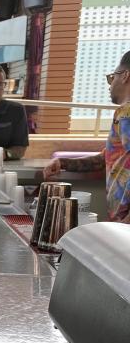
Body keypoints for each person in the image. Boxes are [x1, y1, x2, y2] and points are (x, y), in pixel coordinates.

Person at [42, 50, 130, 223]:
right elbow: (107, 158)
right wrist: (64, 163)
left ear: (126, 76)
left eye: (113, 77)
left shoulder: (126, 113)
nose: (110, 85)